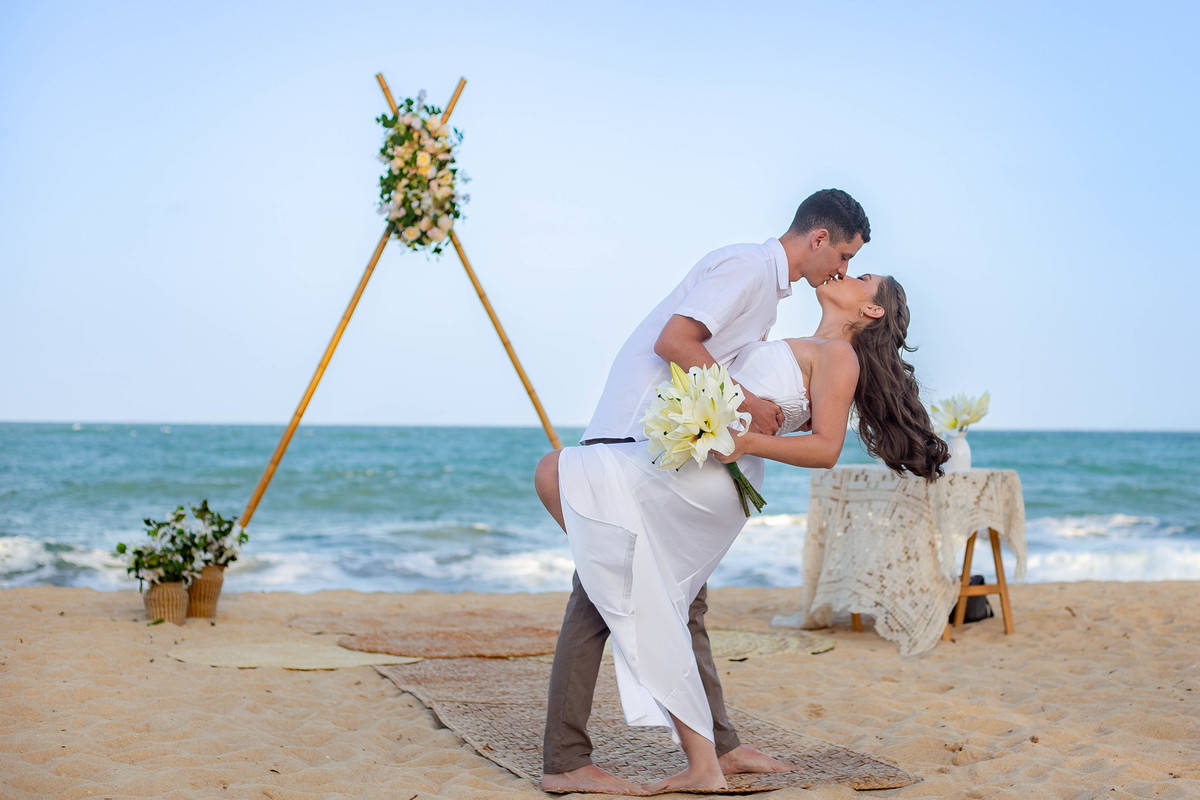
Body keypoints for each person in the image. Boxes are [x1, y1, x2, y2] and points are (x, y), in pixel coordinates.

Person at [537, 272, 948, 792]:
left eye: (861, 275)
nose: (846, 272)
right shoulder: (802, 343)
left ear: (872, 310)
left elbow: (826, 449)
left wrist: (748, 443)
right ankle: (716, 751)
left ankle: (605, 759)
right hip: (700, 466)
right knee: (665, 596)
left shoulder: (839, 355)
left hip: (717, 473)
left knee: (567, 490)